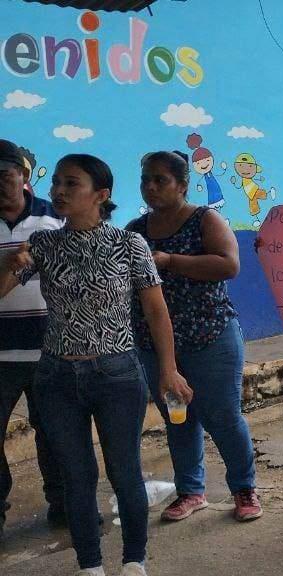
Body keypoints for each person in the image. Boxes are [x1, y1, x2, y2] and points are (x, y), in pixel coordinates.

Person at [0, 154, 191, 576]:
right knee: (76, 477)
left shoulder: (129, 245)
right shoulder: (45, 245)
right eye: (58, 184)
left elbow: (156, 312)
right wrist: (13, 264)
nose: (60, 192)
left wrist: (168, 369)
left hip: (117, 374)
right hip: (56, 377)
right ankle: (90, 565)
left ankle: (134, 560)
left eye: (72, 184)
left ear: (101, 195)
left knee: (124, 472)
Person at [125, 151, 262, 523]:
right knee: (178, 417)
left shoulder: (205, 219)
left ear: (183, 185)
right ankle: (190, 491)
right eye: (146, 180)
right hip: (157, 343)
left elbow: (229, 264)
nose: (151, 187)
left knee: (222, 415)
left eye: (160, 180)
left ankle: (244, 488)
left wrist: (171, 261)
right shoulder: (136, 231)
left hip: (210, 335)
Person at [0, 139, 65, 540]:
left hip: (51, 349)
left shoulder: (55, 218)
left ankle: (63, 506)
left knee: (57, 433)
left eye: (5, 175)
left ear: (24, 177)